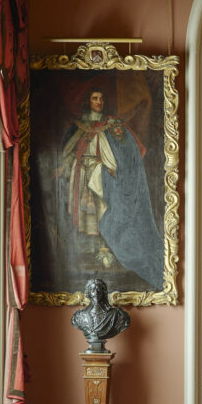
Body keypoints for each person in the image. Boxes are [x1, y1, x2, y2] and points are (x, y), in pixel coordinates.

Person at [54, 86, 160, 286]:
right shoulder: (79, 126)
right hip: (84, 175)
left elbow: (127, 150)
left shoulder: (112, 124)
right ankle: (92, 247)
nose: (99, 102)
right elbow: (71, 150)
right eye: (95, 98)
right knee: (90, 212)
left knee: (104, 208)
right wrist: (65, 166)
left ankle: (107, 247)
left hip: (106, 176)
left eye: (101, 98)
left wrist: (114, 167)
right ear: (88, 101)